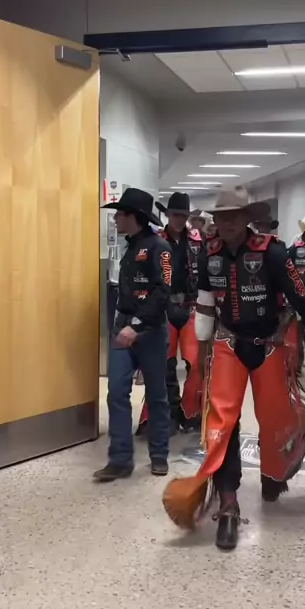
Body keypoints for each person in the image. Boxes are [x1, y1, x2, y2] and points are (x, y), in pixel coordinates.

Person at [165, 188, 305, 551]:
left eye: (234, 216)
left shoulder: (273, 253)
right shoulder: (210, 254)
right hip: (228, 346)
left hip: (270, 345)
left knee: (275, 418)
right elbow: (206, 303)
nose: (226, 223)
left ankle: (274, 473)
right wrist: (200, 357)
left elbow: (303, 299)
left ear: (246, 218)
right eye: (221, 216)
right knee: (222, 422)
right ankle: (228, 505)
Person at [94, 188, 172, 482]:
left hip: (149, 331)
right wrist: (124, 324)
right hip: (122, 328)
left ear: (133, 217)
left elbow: (162, 292)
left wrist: (136, 325)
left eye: (119, 214)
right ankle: (120, 460)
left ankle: (159, 455)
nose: (115, 219)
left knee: (156, 395)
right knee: (116, 392)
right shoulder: (129, 248)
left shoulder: (159, 247)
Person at [137, 192, 205, 435]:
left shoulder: (198, 241)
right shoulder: (155, 240)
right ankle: (164, 414)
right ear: (167, 215)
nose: (179, 219)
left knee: (196, 363)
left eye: (183, 215)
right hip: (162, 307)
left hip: (191, 306)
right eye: (175, 214)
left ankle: (190, 412)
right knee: (162, 365)